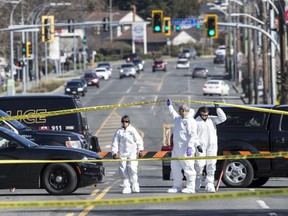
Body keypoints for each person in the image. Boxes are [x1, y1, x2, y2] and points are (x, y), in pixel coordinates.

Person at [166, 99, 199, 194]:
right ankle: (177, 186)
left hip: (186, 150)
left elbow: (193, 135)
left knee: (188, 168)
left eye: (180, 110)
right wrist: (169, 106)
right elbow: (173, 114)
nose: (179, 112)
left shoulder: (191, 121)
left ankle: (191, 187)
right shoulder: (179, 118)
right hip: (176, 150)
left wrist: (190, 147)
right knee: (175, 168)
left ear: (184, 111)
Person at [194, 103, 227, 193]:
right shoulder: (196, 122)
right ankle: (197, 183)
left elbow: (223, 118)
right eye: (203, 115)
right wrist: (197, 144)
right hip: (201, 146)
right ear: (200, 113)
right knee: (199, 165)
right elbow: (193, 135)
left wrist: (218, 109)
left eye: (206, 115)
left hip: (212, 146)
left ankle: (209, 184)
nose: (205, 116)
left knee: (211, 165)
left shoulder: (212, 119)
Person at [111, 115, 144, 194]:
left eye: (126, 122)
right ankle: (126, 186)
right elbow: (114, 142)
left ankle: (135, 185)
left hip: (132, 152)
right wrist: (114, 152)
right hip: (123, 153)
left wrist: (140, 150)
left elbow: (139, 140)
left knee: (133, 169)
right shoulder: (119, 131)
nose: (125, 123)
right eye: (123, 122)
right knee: (123, 170)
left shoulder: (132, 130)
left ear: (129, 122)